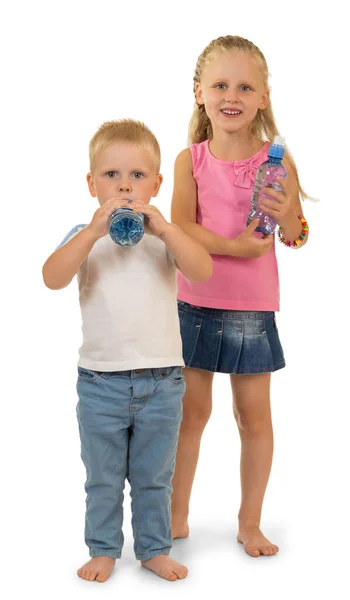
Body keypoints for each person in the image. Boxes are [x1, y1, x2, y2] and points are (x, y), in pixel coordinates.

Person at [42, 119, 213, 582]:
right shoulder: (86, 237)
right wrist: (91, 233)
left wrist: (169, 230)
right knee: (103, 477)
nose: (124, 186)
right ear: (92, 184)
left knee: (154, 477)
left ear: (156, 185)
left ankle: (154, 548)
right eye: (112, 176)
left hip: (162, 382)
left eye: (137, 176)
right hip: (101, 382)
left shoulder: (163, 240)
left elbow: (202, 270)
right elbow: (52, 277)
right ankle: (103, 549)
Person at [170, 35, 309, 558]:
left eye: (245, 86)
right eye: (221, 84)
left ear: (263, 97)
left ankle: (249, 522)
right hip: (195, 304)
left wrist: (290, 206)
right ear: (200, 93)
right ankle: (176, 515)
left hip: (252, 309)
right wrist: (232, 245)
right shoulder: (191, 161)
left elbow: (294, 236)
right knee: (190, 413)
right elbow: (180, 226)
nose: (233, 95)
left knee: (253, 418)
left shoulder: (276, 161)